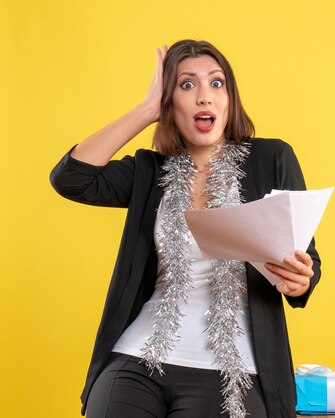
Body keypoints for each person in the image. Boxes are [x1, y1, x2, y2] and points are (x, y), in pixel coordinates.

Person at [50, 39, 321, 418]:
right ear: (169, 102)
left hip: (233, 370)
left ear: (230, 97)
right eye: (186, 85)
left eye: (216, 83)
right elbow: (71, 178)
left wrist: (301, 280)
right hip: (137, 361)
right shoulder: (151, 171)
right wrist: (145, 110)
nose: (204, 97)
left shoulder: (271, 158)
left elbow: (305, 259)